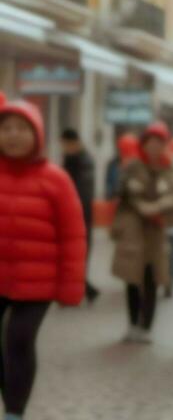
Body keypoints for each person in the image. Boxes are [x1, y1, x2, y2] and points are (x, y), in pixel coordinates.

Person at [0, 99, 86, 420]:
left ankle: (14, 415)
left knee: (18, 340)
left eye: (22, 129)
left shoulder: (56, 179)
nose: (13, 136)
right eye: (6, 129)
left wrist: (70, 288)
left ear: (36, 134)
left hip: (38, 282)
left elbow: (73, 235)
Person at [110, 122, 173, 343]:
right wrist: (134, 197)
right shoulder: (132, 166)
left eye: (159, 143)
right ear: (144, 144)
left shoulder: (170, 168)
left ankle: (146, 326)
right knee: (132, 277)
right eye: (150, 142)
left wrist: (158, 206)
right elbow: (120, 190)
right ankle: (132, 324)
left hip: (158, 231)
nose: (154, 147)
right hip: (133, 231)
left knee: (152, 278)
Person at [60, 128, 99, 304]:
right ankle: (87, 290)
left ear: (73, 143)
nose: (63, 148)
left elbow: (83, 191)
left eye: (65, 144)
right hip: (71, 215)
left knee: (78, 256)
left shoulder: (83, 161)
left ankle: (83, 291)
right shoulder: (71, 159)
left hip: (81, 216)